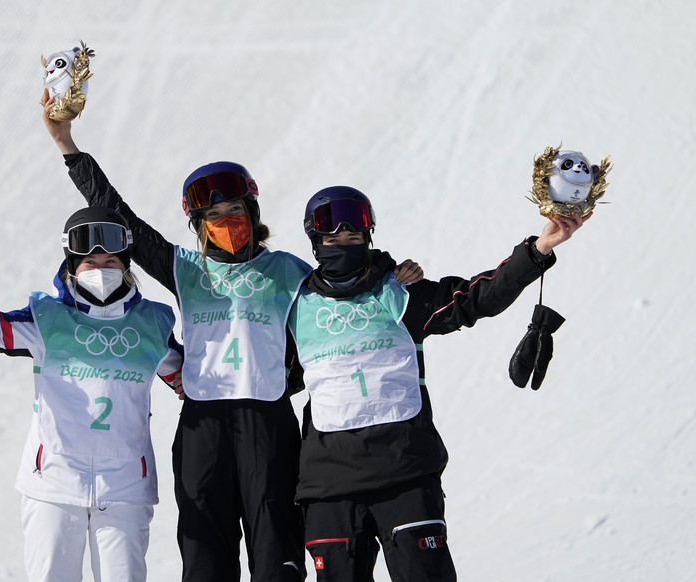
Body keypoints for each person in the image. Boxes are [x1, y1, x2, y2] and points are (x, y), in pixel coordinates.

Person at [40, 92, 423, 581]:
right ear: (198, 225)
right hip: (204, 429)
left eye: (236, 210)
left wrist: (389, 268)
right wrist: (67, 145)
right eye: (215, 216)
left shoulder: (286, 270)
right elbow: (121, 216)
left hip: (269, 425)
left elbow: (343, 282)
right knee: (206, 565)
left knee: (276, 561)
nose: (228, 222)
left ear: (253, 210)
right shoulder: (185, 268)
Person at [287, 186, 588, 581]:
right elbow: (261, 375)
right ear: (315, 241)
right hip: (329, 486)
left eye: (354, 236)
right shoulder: (296, 307)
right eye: (333, 238)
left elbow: (475, 297)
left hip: (405, 475)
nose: (344, 242)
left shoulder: (401, 295)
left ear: (368, 238)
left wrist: (539, 249)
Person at [0, 206, 184, 582]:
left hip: (126, 488)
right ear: (71, 264)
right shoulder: (45, 318)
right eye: (90, 261)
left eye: (111, 260)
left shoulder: (153, 323)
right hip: (53, 483)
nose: (101, 269)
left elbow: (193, 381)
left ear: (126, 264)